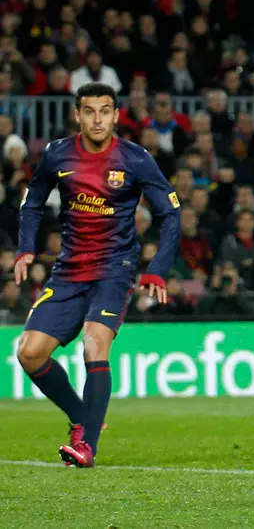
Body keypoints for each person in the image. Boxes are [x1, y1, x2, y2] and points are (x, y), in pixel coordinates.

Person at [14, 82, 182, 468]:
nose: (97, 119)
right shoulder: (57, 154)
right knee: (29, 353)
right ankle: (82, 416)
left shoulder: (135, 159)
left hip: (114, 268)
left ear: (116, 115)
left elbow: (170, 213)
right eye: (89, 111)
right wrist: (25, 247)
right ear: (77, 115)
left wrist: (157, 270)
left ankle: (87, 446)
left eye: (105, 111)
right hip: (69, 269)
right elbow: (33, 201)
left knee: (94, 343)